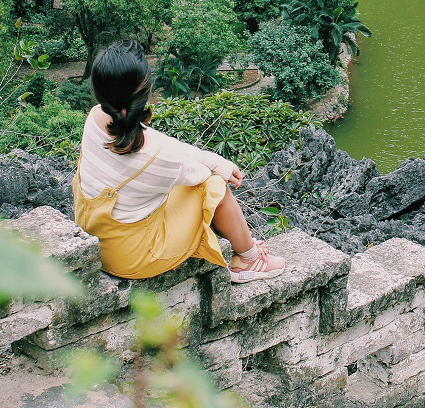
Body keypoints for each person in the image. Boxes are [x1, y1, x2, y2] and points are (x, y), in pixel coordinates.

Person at [73, 41, 286, 283]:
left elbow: (157, 143)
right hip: (132, 258)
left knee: (201, 177)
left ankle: (243, 250)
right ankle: (248, 258)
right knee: (215, 185)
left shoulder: (95, 117)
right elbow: (199, 173)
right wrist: (220, 167)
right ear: (145, 90)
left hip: (97, 233)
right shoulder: (158, 158)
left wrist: (215, 159)